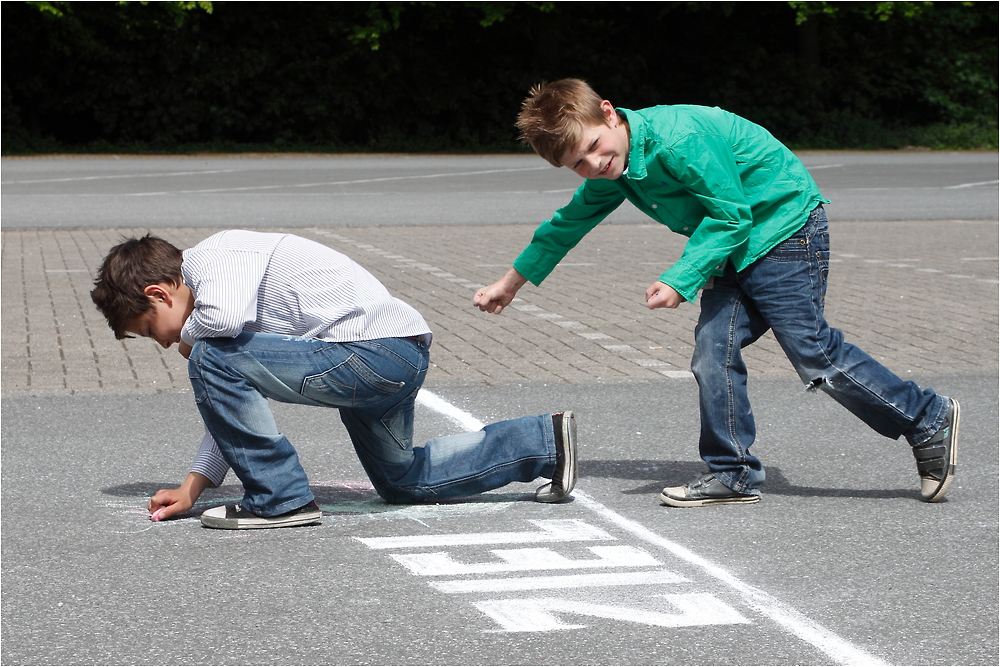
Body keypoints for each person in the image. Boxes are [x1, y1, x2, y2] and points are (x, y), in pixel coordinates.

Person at [474, 78, 958, 507]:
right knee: (712, 350)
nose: (596, 164)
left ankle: (926, 417)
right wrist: (509, 284)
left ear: (607, 111)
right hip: (732, 246)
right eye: (578, 164)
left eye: (596, 147)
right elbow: (566, 226)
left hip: (782, 228)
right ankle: (733, 473)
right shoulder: (616, 169)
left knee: (811, 351)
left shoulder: (679, 138)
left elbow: (731, 214)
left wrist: (680, 280)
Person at [91, 230, 577, 529]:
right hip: (391, 357)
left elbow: (216, 333)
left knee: (210, 358)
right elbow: (231, 409)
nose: (165, 345)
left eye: (152, 332)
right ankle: (541, 443)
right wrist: (194, 487)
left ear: (158, 293)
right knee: (402, 479)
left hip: (375, 354)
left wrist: (189, 342)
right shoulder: (216, 309)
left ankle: (281, 501)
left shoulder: (216, 258)